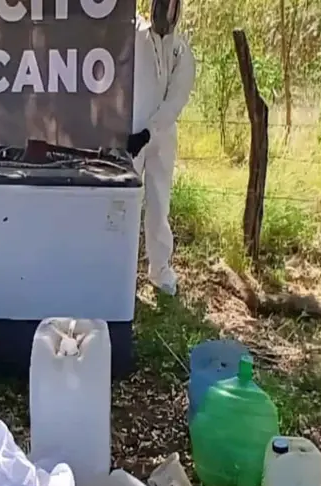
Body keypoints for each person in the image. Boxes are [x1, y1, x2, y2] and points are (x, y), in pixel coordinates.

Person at [127, 0, 195, 296]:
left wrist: (149, 132)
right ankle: (122, 269)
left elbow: (175, 101)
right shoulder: (134, 37)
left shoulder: (182, 53)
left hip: (160, 138)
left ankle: (160, 271)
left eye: (171, 6)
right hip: (128, 137)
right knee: (125, 205)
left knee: (158, 205)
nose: (164, 12)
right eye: (160, 4)